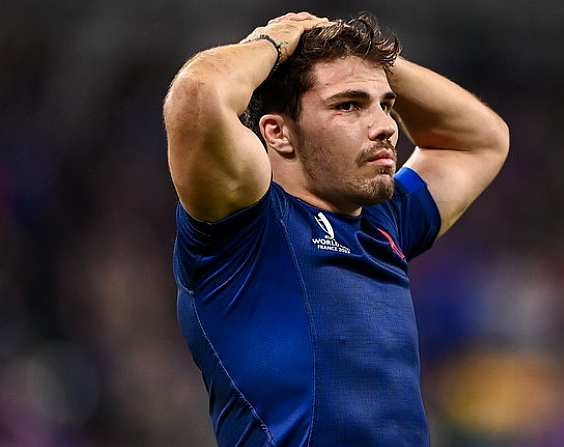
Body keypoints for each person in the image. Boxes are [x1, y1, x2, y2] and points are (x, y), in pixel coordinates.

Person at [163, 11, 509, 447]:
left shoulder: (384, 220)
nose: (385, 126)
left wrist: (364, 56)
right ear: (279, 134)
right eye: (349, 105)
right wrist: (277, 42)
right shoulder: (245, 224)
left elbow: (481, 138)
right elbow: (196, 97)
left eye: (386, 105)